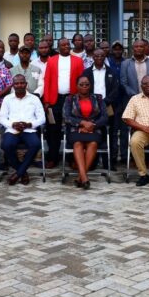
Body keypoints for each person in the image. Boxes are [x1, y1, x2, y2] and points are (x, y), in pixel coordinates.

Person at [40, 38, 85, 168]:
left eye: (67, 44)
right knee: (53, 129)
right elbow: (47, 80)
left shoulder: (78, 60)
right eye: (62, 45)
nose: (66, 46)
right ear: (58, 47)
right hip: (55, 100)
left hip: (72, 99)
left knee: (73, 128)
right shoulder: (52, 60)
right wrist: (47, 101)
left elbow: (82, 81)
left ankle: (72, 158)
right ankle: (53, 158)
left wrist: (80, 98)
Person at [0, 75, 45, 185]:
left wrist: (30, 124)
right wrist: (12, 124)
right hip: (12, 130)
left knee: (35, 144)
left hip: (29, 129)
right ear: (13, 85)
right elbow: (2, 118)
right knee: (6, 145)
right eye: (16, 83)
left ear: (26, 84)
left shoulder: (34, 99)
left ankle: (18, 173)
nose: (19, 85)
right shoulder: (7, 99)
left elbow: (42, 118)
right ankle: (23, 173)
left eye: (22, 83)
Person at [63, 76, 108, 189]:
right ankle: (84, 177)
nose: (84, 86)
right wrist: (81, 123)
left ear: (90, 86)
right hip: (76, 130)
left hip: (94, 129)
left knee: (93, 144)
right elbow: (66, 116)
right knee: (77, 144)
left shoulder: (98, 98)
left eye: (87, 84)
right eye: (81, 84)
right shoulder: (70, 99)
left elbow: (104, 117)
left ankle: (81, 178)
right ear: (77, 86)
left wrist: (92, 125)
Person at [83, 49, 119, 167]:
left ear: (105, 57)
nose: (99, 57)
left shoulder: (111, 72)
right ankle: (92, 161)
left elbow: (115, 90)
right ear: (93, 57)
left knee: (110, 133)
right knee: (93, 133)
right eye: (97, 55)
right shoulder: (86, 72)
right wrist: (94, 103)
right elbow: (83, 89)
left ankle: (109, 162)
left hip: (108, 106)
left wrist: (104, 102)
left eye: (102, 56)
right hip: (91, 107)